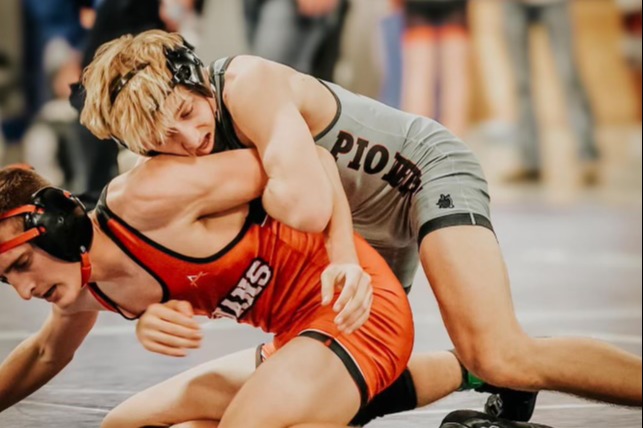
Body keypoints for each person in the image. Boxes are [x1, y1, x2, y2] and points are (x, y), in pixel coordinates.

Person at [77, 30, 642, 426]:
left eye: (183, 112)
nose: (187, 139)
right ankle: (477, 374)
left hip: (419, 174)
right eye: (160, 139)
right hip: (358, 218)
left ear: (193, 75)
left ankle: (506, 365)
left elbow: (301, 207)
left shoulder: (246, 82)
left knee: (499, 350)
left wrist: (341, 249)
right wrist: (159, 308)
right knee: (355, 388)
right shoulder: (178, 156)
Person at [0, 134, 412, 428]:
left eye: (21, 263)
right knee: (123, 424)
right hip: (296, 342)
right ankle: (454, 372)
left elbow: (313, 159)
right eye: (6, 280)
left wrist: (343, 258)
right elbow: (43, 354)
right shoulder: (81, 292)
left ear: (56, 224)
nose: (24, 290)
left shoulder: (148, 198)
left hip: (355, 308)